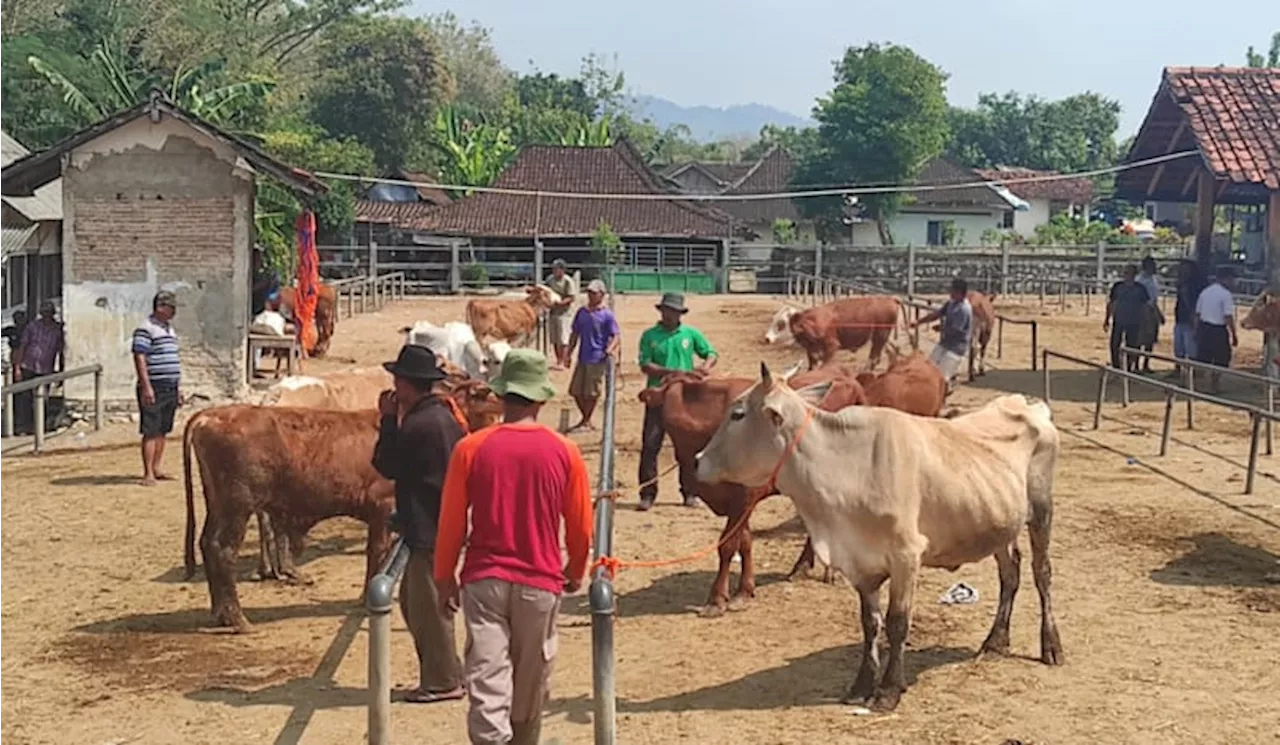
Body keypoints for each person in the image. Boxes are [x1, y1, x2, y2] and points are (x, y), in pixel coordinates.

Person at [434, 348, 592, 745]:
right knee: (532, 673)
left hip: (484, 578)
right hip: (540, 578)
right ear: (541, 398)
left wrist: (443, 575)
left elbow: (451, 521)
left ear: (502, 397)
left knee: (487, 675)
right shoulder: (566, 452)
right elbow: (580, 526)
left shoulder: (470, 448)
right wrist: (575, 570)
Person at [371, 344, 467, 704]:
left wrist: (386, 420)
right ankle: (448, 671)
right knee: (418, 602)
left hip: (428, 525)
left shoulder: (418, 424)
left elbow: (387, 464)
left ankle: (443, 681)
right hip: (439, 521)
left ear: (408, 384)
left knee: (426, 606)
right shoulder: (442, 418)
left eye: (398, 379)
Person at [637, 292, 717, 511]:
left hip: (685, 397)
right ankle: (647, 493)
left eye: (674, 312)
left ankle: (690, 492)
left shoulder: (690, 334)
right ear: (661, 311)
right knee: (651, 444)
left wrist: (705, 367)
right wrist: (673, 372)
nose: (670, 315)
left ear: (679, 314)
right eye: (667, 311)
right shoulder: (650, 335)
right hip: (659, 395)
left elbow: (710, 352)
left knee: (687, 446)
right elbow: (645, 364)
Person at [132, 291, 181, 486]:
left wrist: (178, 387)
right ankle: (148, 472)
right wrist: (146, 386)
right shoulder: (146, 328)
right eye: (171, 308)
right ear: (160, 307)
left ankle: (157, 467)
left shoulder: (168, 329)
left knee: (163, 429)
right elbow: (139, 356)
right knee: (151, 429)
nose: (173, 312)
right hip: (154, 385)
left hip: (169, 386)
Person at [566, 279, 620, 432]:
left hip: (597, 358)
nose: (590, 295)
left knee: (591, 392)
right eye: (589, 292)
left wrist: (609, 349)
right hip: (582, 357)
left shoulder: (606, 315)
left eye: (594, 293)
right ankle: (586, 419)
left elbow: (615, 335)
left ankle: (586, 420)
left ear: (602, 294)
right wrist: (568, 353)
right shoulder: (582, 312)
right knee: (576, 390)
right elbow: (574, 333)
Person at [910, 277, 972, 388]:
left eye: (953, 291)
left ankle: (944, 394)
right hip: (945, 343)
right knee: (929, 368)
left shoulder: (964, 309)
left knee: (942, 378)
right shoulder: (951, 303)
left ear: (960, 293)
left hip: (956, 348)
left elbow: (956, 330)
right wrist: (919, 322)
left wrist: (941, 328)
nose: (950, 293)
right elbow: (937, 314)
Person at [12, 302, 63, 434]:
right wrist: (17, 368)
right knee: (25, 398)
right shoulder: (32, 327)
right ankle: (23, 426)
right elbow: (22, 347)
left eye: (48, 313)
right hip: (28, 366)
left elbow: (61, 351)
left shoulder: (57, 330)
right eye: (44, 313)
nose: (46, 316)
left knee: (42, 399)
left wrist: (61, 372)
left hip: (46, 369)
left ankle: (39, 427)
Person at [1195, 265, 1238, 393]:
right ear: (1226, 279)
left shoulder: (1205, 291)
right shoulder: (1226, 295)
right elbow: (1228, 316)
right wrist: (1234, 334)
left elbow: (1197, 314)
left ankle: (1199, 384)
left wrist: (1196, 330)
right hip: (1217, 329)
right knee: (1222, 358)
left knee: (1203, 356)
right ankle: (1214, 384)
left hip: (1204, 328)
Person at [1104, 265, 1150, 372]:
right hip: (1119, 320)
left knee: (1132, 345)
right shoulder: (1117, 287)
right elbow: (1112, 303)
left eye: (1129, 273)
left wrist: (1146, 321)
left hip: (1134, 321)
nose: (1127, 275)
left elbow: (1145, 307)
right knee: (1115, 344)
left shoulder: (1140, 289)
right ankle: (1117, 367)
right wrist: (1107, 318)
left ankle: (1129, 367)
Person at [1170, 259, 1205, 379]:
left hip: (1190, 319)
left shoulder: (1196, 285)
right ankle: (1178, 369)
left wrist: (1194, 317)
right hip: (1180, 318)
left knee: (1190, 347)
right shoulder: (1182, 284)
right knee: (1178, 346)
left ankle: (1192, 370)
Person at [544, 258, 577, 370]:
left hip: (564, 313)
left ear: (562, 270)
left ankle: (564, 360)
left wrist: (560, 303)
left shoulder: (568, 281)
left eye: (556, 269)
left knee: (563, 338)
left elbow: (571, 297)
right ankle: (558, 360)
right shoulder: (550, 279)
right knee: (554, 338)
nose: (554, 271)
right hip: (553, 312)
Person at [1136, 257, 1163, 373]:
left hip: (1152, 309)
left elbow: (1154, 298)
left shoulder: (1154, 280)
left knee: (1150, 339)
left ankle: (1146, 364)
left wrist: (1158, 312)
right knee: (1139, 338)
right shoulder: (1140, 280)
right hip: (1142, 311)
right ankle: (1136, 364)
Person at [251, 247, 281, 317]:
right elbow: (247, 291)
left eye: (260, 260)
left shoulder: (261, 276)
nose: (260, 262)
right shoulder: (246, 276)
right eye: (257, 260)